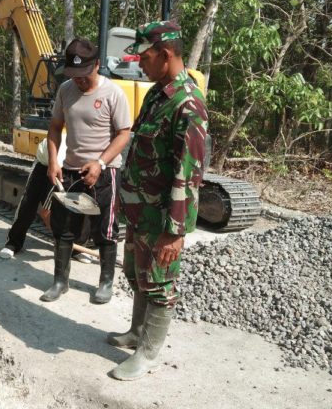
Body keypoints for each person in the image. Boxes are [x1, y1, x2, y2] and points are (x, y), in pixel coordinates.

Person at [108, 21, 209, 380]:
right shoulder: (156, 94)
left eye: (145, 57)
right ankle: (137, 333)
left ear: (166, 55)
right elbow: (140, 151)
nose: (140, 63)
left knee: (160, 284)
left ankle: (148, 353)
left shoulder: (188, 104)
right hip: (140, 211)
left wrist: (175, 232)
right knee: (136, 274)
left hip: (162, 218)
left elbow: (188, 174)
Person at [43, 37, 132, 304]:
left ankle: (105, 282)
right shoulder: (66, 90)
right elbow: (55, 127)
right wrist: (53, 161)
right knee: (63, 229)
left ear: (97, 65)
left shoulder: (113, 93)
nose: (79, 80)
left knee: (105, 229)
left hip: (105, 173)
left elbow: (124, 134)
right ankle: (60, 281)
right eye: (74, 74)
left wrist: (100, 163)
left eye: (84, 74)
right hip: (70, 171)